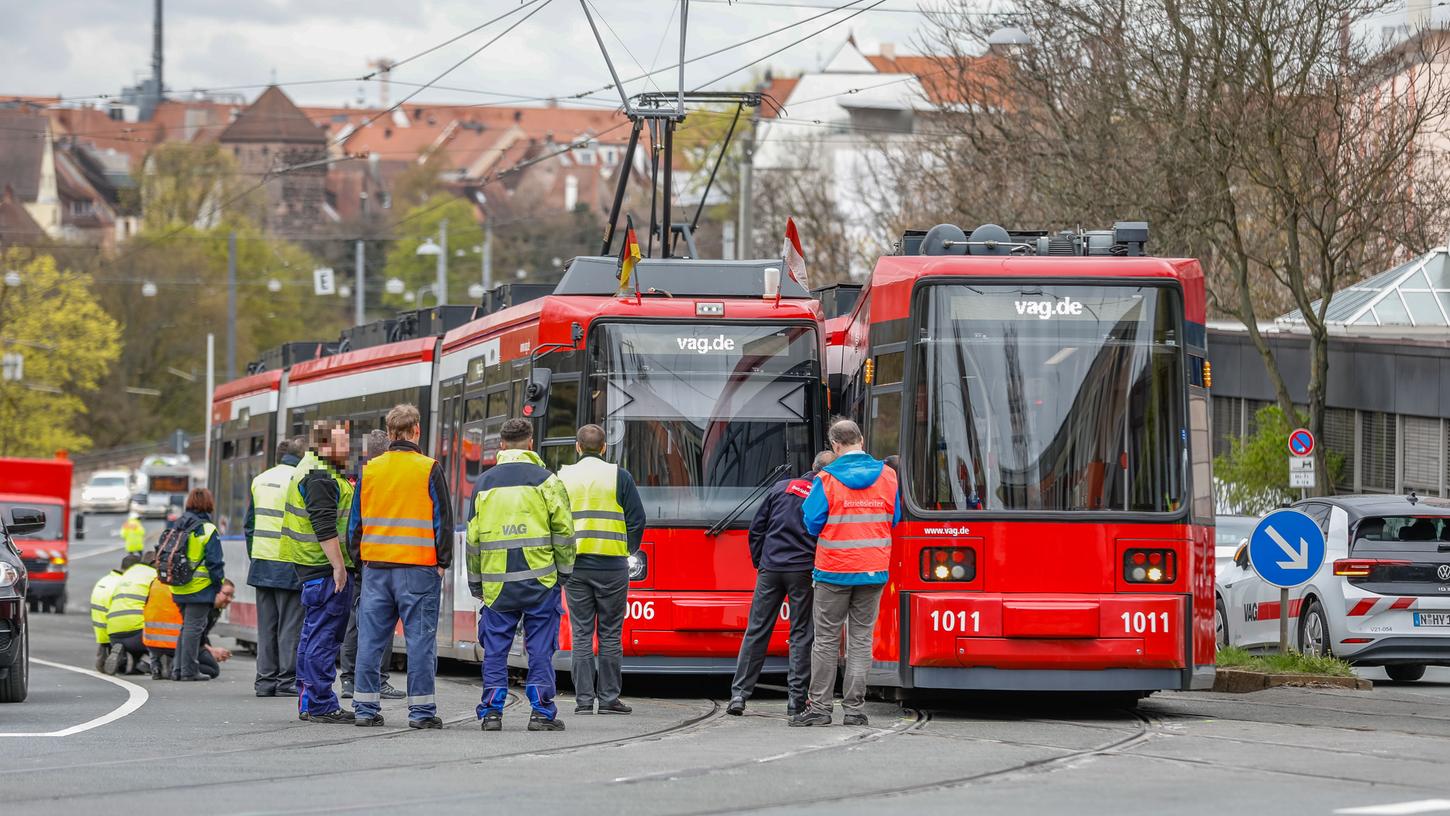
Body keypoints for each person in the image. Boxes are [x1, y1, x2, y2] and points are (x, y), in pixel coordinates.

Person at [347, 407, 453, 729]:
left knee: (371, 640)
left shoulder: (370, 471)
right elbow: (443, 522)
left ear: (390, 433)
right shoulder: (429, 469)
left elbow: (355, 525)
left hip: (376, 569)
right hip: (419, 569)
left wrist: (360, 564)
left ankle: (365, 708)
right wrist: (442, 563)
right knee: (420, 642)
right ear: (417, 431)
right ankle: (421, 713)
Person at [466, 418, 574, 732]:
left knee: (496, 649)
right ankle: (541, 712)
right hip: (541, 581)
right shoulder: (547, 481)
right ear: (530, 443)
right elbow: (564, 533)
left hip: (497, 584)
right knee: (540, 647)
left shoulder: (484, 483)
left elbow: (473, 540)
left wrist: (476, 583)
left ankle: (491, 713)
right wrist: (563, 574)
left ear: (501, 445)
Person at [791, 420, 899, 728]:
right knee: (861, 639)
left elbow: (811, 522)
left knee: (826, 639)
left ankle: (821, 708)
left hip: (833, 571)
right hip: (873, 569)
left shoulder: (826, 479)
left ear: (835, 447)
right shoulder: (888, 477)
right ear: (862, 440)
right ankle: (854, 710)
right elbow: (895, 517)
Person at [727, 450, 835, 718]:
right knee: (801, 634)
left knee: (757, 630)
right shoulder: (827, 493)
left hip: (771, 568)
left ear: (811, 467)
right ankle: (795, 701)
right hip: (803, 570)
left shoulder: (781, 487)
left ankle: (739, 695)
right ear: (828, 473)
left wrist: (761, 562)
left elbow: (757, 528)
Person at [557, 424, 645, 716]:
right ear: (604, 447)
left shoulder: (562, 477)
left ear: (578, 447)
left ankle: (583, 701)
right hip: (612, 567)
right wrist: (626, 549)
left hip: (576, 566)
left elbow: (553, 521)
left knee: (582, 633)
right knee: (610, 633)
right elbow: (637, 519)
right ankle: (608, 699)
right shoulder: (619, 476)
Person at [280, 420, 356, 724]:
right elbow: (324, 526)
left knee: (313, 634)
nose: (348, 448)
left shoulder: (311, 468)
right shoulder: (320, 476)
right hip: (324, 566)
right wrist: (339, 566)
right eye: (341, 442)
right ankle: (321, 702)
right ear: (323, 444)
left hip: (312, 565)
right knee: (324, 637)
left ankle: (309, 698)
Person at [340, 429, 401, 703]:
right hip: (377, 560)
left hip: (362, 559)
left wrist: (356, 559)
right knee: (380, 623)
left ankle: (350, 679)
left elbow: (354, 525)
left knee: (356, 620)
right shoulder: (378, 475)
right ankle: (377, 679)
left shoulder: (354, 476)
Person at [247, 437, 305, 698]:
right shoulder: (299, 480)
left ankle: (264, 681)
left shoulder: (260, 480)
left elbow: (249, 524)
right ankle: (286, 681)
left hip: (261, 563)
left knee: (267, 626)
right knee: (290, 626)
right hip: (289, 562)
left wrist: (256, 553)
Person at [169, 488, 226, 682]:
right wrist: (218, 585)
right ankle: (189, 671)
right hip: (199, 587)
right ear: (208, 504)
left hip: (177, 585)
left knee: (187, 627)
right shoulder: (207, 529)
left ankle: (177, 669)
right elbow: (215, 562)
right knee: (194, 629)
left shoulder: (178, 524)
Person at [90, 556, 132, 670]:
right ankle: (126, 660)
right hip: (115, 630)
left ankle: (103, 657)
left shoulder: (104, 580)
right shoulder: (123, 584)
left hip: (100, 630)